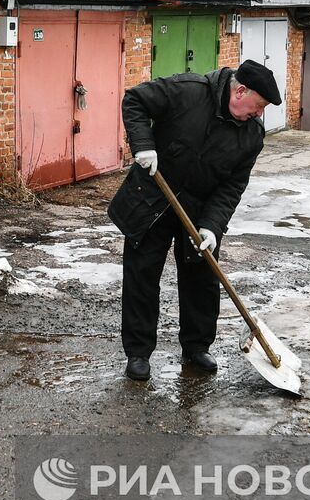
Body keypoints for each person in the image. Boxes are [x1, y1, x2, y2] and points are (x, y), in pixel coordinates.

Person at [108, 58, 281, 381]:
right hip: (153, 199)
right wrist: (143, 145)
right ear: (239, 91)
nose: (259, 115)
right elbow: (135, 99)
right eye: (257, 107)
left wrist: (213, 226)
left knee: (202, 281)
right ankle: (139, 353)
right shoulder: (187, 91)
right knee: (142, 276)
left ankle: (197, 347)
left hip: (199, 211)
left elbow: (232, 186)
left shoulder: (251, 136)